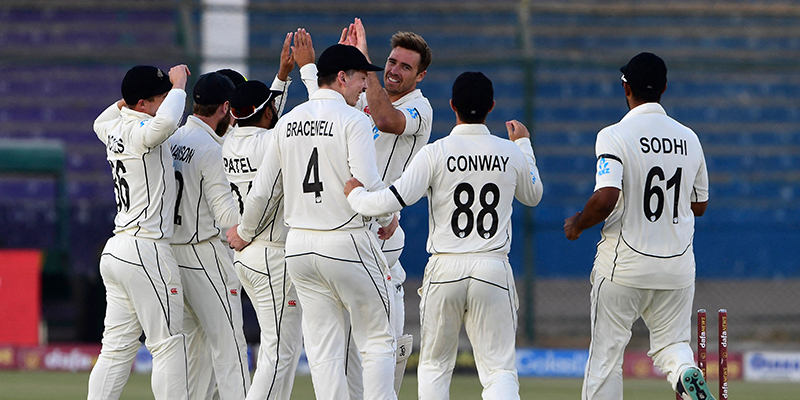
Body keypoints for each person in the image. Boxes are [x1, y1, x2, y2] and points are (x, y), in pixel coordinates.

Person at [344, 71, 544, 400]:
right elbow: (533, 194)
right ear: (491, 107)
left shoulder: (436, 152)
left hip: (445, 267)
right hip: (492, 267)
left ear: (452, 106)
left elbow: (392, 198)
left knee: (435, 366)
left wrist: (356, 196)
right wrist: (523, 144)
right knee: (499, 370)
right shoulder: (510, 154)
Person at [227, 43, 399, 400]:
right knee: (379, 338)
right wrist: (388, 214)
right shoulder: (354, 120)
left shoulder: (287, 122)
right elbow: (368, 183)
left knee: (323, 352)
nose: (364, 86)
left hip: (300, 249)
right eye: (361, 79)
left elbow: (264, 192)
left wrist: (244, 232)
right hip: (345, 240)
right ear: (341, 78)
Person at [562, 52, 711, 400]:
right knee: (673, 344)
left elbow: (606, 197)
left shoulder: (615, 134)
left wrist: (578, 224)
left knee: (606, 356)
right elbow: (700, 205)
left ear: (626, 88)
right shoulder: (689, 138)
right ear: (664, 88)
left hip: (623, 265)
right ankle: (686, 373)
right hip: (676, 265)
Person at [302, 18, 433, 394]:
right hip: (342, 231)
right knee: (344, 353)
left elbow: (387, 119)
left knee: (381, 349)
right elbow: (322, 111)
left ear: (420, 76)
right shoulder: (360, 94)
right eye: (391, 62)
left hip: (380, 234)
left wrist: (363, 61)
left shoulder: (420, 109)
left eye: (405, 67)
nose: (393, 71)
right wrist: (338, 66)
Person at [89, 64, 191, 400]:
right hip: (146, 248)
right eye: (159, 98)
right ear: (144, 105)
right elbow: (166, 122)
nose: (166, 101)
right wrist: (178, 85)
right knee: (168, 345)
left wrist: (131, 100)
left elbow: (99, 121)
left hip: (118, 249)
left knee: (115, 351)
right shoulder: (140, 132)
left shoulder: (113, 128)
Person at [221, 30, 304, 400]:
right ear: (266, 112)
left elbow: (268, 115)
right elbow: (279, 125)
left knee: (280, 348)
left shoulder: (226, 142)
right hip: (268, 249)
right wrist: (245, 230)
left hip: (247, 257)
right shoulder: (274, 141)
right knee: (280, 350)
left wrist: (281, 76)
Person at [169, 71, 249, 400]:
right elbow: (227, 216)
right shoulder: (211, 150)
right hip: (203, 254)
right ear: (225, 107)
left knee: (195, 350)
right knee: (230, 344)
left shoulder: (172, 138)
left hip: (170, 254)